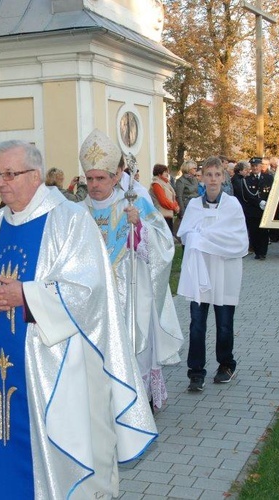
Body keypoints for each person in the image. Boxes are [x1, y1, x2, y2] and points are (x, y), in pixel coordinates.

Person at [0, 139, 157, 499]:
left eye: (10, 174)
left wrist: (26, 295)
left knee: (62, 451)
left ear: (35, 176)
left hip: (56, 367)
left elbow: (87, 289)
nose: (1, 182)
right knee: (0, 441)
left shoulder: (69, 220)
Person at [79, 129, 183, 411]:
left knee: (133, 343)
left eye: (101, 178)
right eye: (89, 178)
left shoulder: (133, 203)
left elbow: (162, 243)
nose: (94, 184)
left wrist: (139, 227)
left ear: (116, 176)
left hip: (131, 292)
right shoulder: (78, 213)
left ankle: (139, 400)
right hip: (94, 297)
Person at [177, 156, 248, 391]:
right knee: (197, 323)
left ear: (223, 177)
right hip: (201, 272)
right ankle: (196, 372)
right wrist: (203, 237)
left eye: (217, 174)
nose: (213, 179)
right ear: (202, 177)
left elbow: (238, 240)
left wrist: (204, 237)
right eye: (209, 175)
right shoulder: (195, 206)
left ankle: (226, 365)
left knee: (225, 323)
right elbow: (186, 234)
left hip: (226, 271)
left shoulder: (232, 206)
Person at [241, 157, 272, 260]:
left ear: (260, 166)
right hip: (253, 210)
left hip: (265, 210)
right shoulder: (247, 179)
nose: (255, 168)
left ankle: (263, 252)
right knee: (254, 232)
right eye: (253, 166)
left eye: (257, 166)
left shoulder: (268, 178)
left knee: (264, 232)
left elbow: (272, 191)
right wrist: (259, 202)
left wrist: (268, 202)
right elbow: (247, 195)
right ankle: (257, 252)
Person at [149, 163, 180, 232]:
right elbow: (163, 201)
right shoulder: (156, 184)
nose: (167, 174)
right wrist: (174, 206)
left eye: (167, 172)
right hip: (161, 215)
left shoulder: (166, 183)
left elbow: (172, 198)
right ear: (159, 174)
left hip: (168, 214)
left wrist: (176, 206)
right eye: (165, 172)